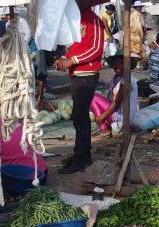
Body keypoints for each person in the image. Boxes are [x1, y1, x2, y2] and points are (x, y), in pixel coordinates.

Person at [55, 1, 104, 174]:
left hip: (87, 75)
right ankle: (79, 154)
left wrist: (72, 60)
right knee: (78, 117)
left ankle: (83, 158)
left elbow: (97, 49)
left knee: (80, 117)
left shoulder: (95, 21)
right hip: (77, 75)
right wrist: (64, 58)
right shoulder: (76, 20)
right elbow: (75, 48)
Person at [90, 50, 138, 137]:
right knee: (94, 98)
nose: (117, 66)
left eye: (121, 63)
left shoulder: (127, 81)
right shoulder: (117, 78)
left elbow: (116, 103)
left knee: (91, 96)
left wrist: (101, 118)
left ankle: (103, 128)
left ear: (127, 65)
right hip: (117, 116)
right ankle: (104, 126)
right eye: (115, 64)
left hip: (122, 120)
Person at [130, 1, 146, 71]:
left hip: (136, 36)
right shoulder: (135, 15)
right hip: (136, 36)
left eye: (141, 6)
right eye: (139, 7)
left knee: (136, 52)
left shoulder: (137, 14)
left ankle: (136, 66)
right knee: (136, 52)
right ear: (135, 7)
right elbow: (138, 27)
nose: (140, 8)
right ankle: (136, 67)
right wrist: (141, 36)